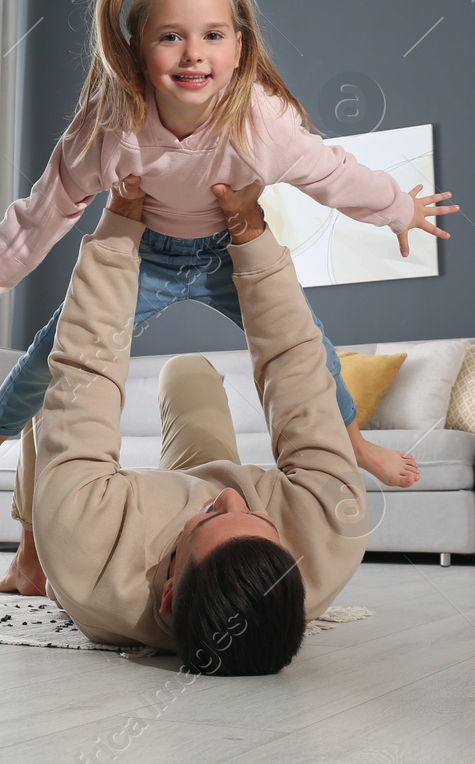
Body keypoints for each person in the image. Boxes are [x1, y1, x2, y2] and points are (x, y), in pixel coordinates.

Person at [0, 0, 460, 509]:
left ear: (239, 48)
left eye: (213, 35)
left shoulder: (264, 124)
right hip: (146, 257)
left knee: (305, 348)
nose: (194, 53)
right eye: (170, 37)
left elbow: (335, 175)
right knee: (57, 345)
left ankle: (355, 443)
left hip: (230, 255)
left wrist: (398, 210)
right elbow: (44, 212)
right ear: (137, 51)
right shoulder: (111, 125)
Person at [18, 176, 366, 674]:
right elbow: (297, 368)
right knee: (187, 368)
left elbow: (86, 366)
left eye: (211, 518)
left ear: (169, 592)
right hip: (185, 495)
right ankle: (230, 523)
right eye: (259, 518)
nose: (229, 496)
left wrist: (120, 227)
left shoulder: (87, 550)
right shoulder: (328, 535)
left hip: (108, 519)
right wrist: (251, 232)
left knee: (51, 406)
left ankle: (28, 559)